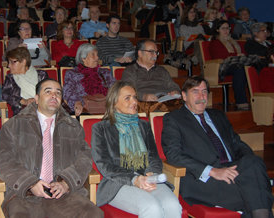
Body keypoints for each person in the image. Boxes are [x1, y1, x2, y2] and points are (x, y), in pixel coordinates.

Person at [162, 76, 273, 218]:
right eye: (195, 91)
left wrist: (245, 167)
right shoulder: (174, 119)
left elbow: (237, 144)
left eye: (204, 91)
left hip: (232, 171)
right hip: (203, 180)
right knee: (259, 191)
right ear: (184, 95)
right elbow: (173, 155)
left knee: (254, 163)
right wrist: (213, 171)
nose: (201, 96)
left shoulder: (218, 115)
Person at [0, 78, 104, 218]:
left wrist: (66, 183)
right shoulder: (14, 125)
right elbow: (3, 160)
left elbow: (84, 159)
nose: (54, 95)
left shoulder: (73, 126)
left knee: (93, 214)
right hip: (24, 195)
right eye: (48, 91)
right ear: (36, 98)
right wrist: (30, 183)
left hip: (64, 194)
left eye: (58, 93)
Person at [91, 81, 182, 217]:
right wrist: (134, 179)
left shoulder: (144, 126)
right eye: (127, 98)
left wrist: (151, 172)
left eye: (135, 97)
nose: (134, 101)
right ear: (114, 102)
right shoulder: (101, 128)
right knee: (152, 207)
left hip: (146, 177)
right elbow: (104, 165)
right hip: (117, 183)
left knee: (173, 205)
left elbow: (153, 156)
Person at [63, 43, 115, 116]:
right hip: (84, 110)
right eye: (93, 55)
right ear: (83, 58)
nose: (97, 58)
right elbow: (68, 91)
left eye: (97, 55)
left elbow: (115, 88)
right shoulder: (72, 73)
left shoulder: (104, 72)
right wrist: (77, 102)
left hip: (107, 108)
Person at [209, 20, 249, 110]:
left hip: (234, 65)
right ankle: (241, 101)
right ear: (217, 30)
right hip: (220, 67)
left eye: (228, 28)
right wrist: (236, 56)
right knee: (239, 68)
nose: (226, 30)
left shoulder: (233, 41)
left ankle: (257, 98)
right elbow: (219, 57)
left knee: (247, 67)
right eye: (223, 28)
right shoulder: (215, 42)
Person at [2, 47, 48, 116]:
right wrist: (21, 101)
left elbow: (48, 92)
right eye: (9, 62)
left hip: (43, 110)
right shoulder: (10, 78)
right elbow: (5, 95)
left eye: (12, 62)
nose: (8, 65)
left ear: (23, 62)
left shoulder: (41, 75)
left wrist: (36, 99)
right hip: (22, 114)